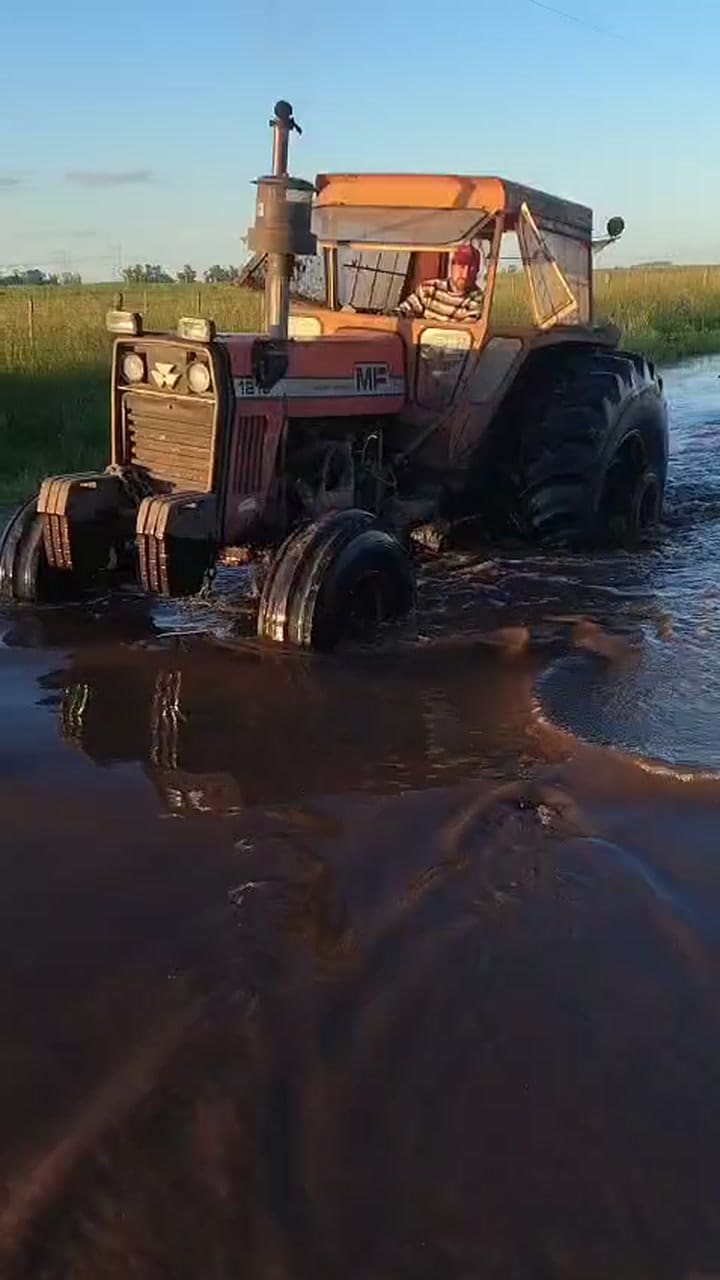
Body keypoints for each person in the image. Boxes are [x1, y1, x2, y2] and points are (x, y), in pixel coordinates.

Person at [396, 244, 485, 323]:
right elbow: (403, 311)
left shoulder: (477, 298)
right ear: (452, 266)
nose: (465, 274)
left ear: (477, 271)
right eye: (461, 266)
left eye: (472, 269)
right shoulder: (429, 288)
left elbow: (465, 330)